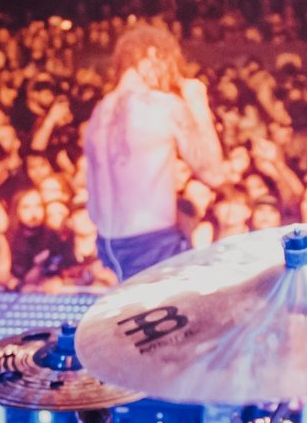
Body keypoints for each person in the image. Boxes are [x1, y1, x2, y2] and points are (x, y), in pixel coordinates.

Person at [80, 23, 231, 278]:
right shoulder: (163, 105)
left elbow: (93, 203)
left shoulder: (99, 112)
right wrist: (198, 105)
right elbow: (214, 173)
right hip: (152, 245)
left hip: (107, 244)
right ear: (152, 56)